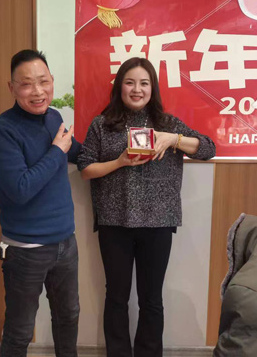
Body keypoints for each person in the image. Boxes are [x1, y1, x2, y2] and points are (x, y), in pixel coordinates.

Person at [77, 57, 215, 357]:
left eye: (144, 83)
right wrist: (119, 162)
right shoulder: (102, 125)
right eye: (130, 82)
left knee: (151, 299)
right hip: (115, 223)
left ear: (153, 88)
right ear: (120, 87)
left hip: (158, 223)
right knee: (116, 297)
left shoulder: (168, 124)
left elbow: (207, 149)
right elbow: (85, 168)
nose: (137, 89)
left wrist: (174, 139)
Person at [0, 49, 81, 357]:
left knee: (69, 317)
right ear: (12, 88)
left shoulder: (54, 117)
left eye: (43, 81)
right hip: (25, 249)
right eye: (26, 84)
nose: (38, 91)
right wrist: (57, 150)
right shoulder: (0, 131)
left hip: (66, 241)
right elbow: (21, 189)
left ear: (52, 81)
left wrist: (122, 152)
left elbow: (75, 150)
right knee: (20, 331)